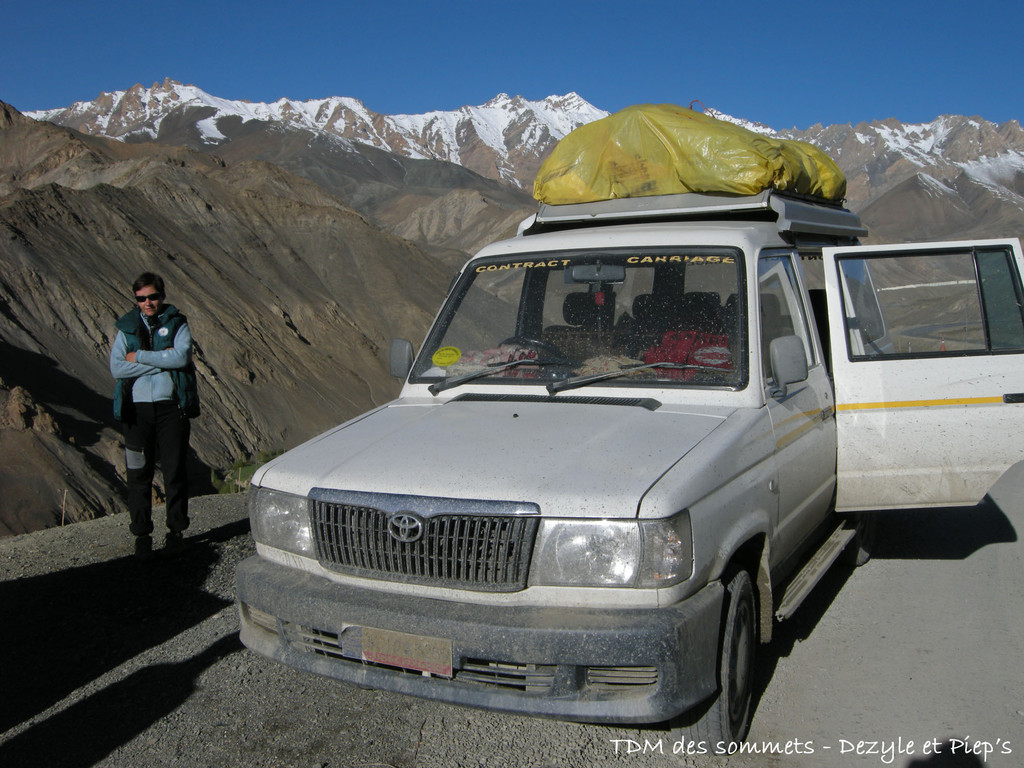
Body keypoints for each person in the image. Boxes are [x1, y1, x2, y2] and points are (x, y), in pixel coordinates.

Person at [109, 272, 199, 560]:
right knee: (138, 473)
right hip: (136, 411)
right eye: (142, 298)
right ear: (135, 299)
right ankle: (141, 535)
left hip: (171, 408)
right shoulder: (126, 328)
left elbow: (181, 357)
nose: (148, 302)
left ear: (162, 295)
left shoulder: (177, 323)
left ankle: (176, 531)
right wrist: (161, 362)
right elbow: (117, 369)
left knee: (174, 470)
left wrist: (142, 357)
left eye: (153, 297)